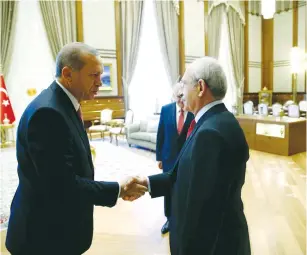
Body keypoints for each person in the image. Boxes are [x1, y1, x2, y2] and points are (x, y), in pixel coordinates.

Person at [5, 42, 147, 255]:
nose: (100, 82)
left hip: (56, 230)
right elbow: (62, 185)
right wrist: (118, 189)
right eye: (93, 75)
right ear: (68, 74)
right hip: (42, 237)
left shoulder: (63, 104)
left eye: (100, 75)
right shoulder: (48, 113)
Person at [136, 57, 251, 255]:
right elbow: (182, 176)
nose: (181, 91)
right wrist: (146, 183)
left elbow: (203, 212)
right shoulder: (216, 120)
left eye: (184, 83)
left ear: (200, 87)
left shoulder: (210, 134)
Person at [156, 83, 193, 234]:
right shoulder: (166, 110)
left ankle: (185, 217)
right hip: (168, 157)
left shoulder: (193, 111)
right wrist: (159, 157)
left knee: (186, 187)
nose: (181, 100)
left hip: (187, 159)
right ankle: (169, 219)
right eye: (178, 97)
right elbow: (161, 134)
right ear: (173, 96)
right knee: (168, 188)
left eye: (183, 96)